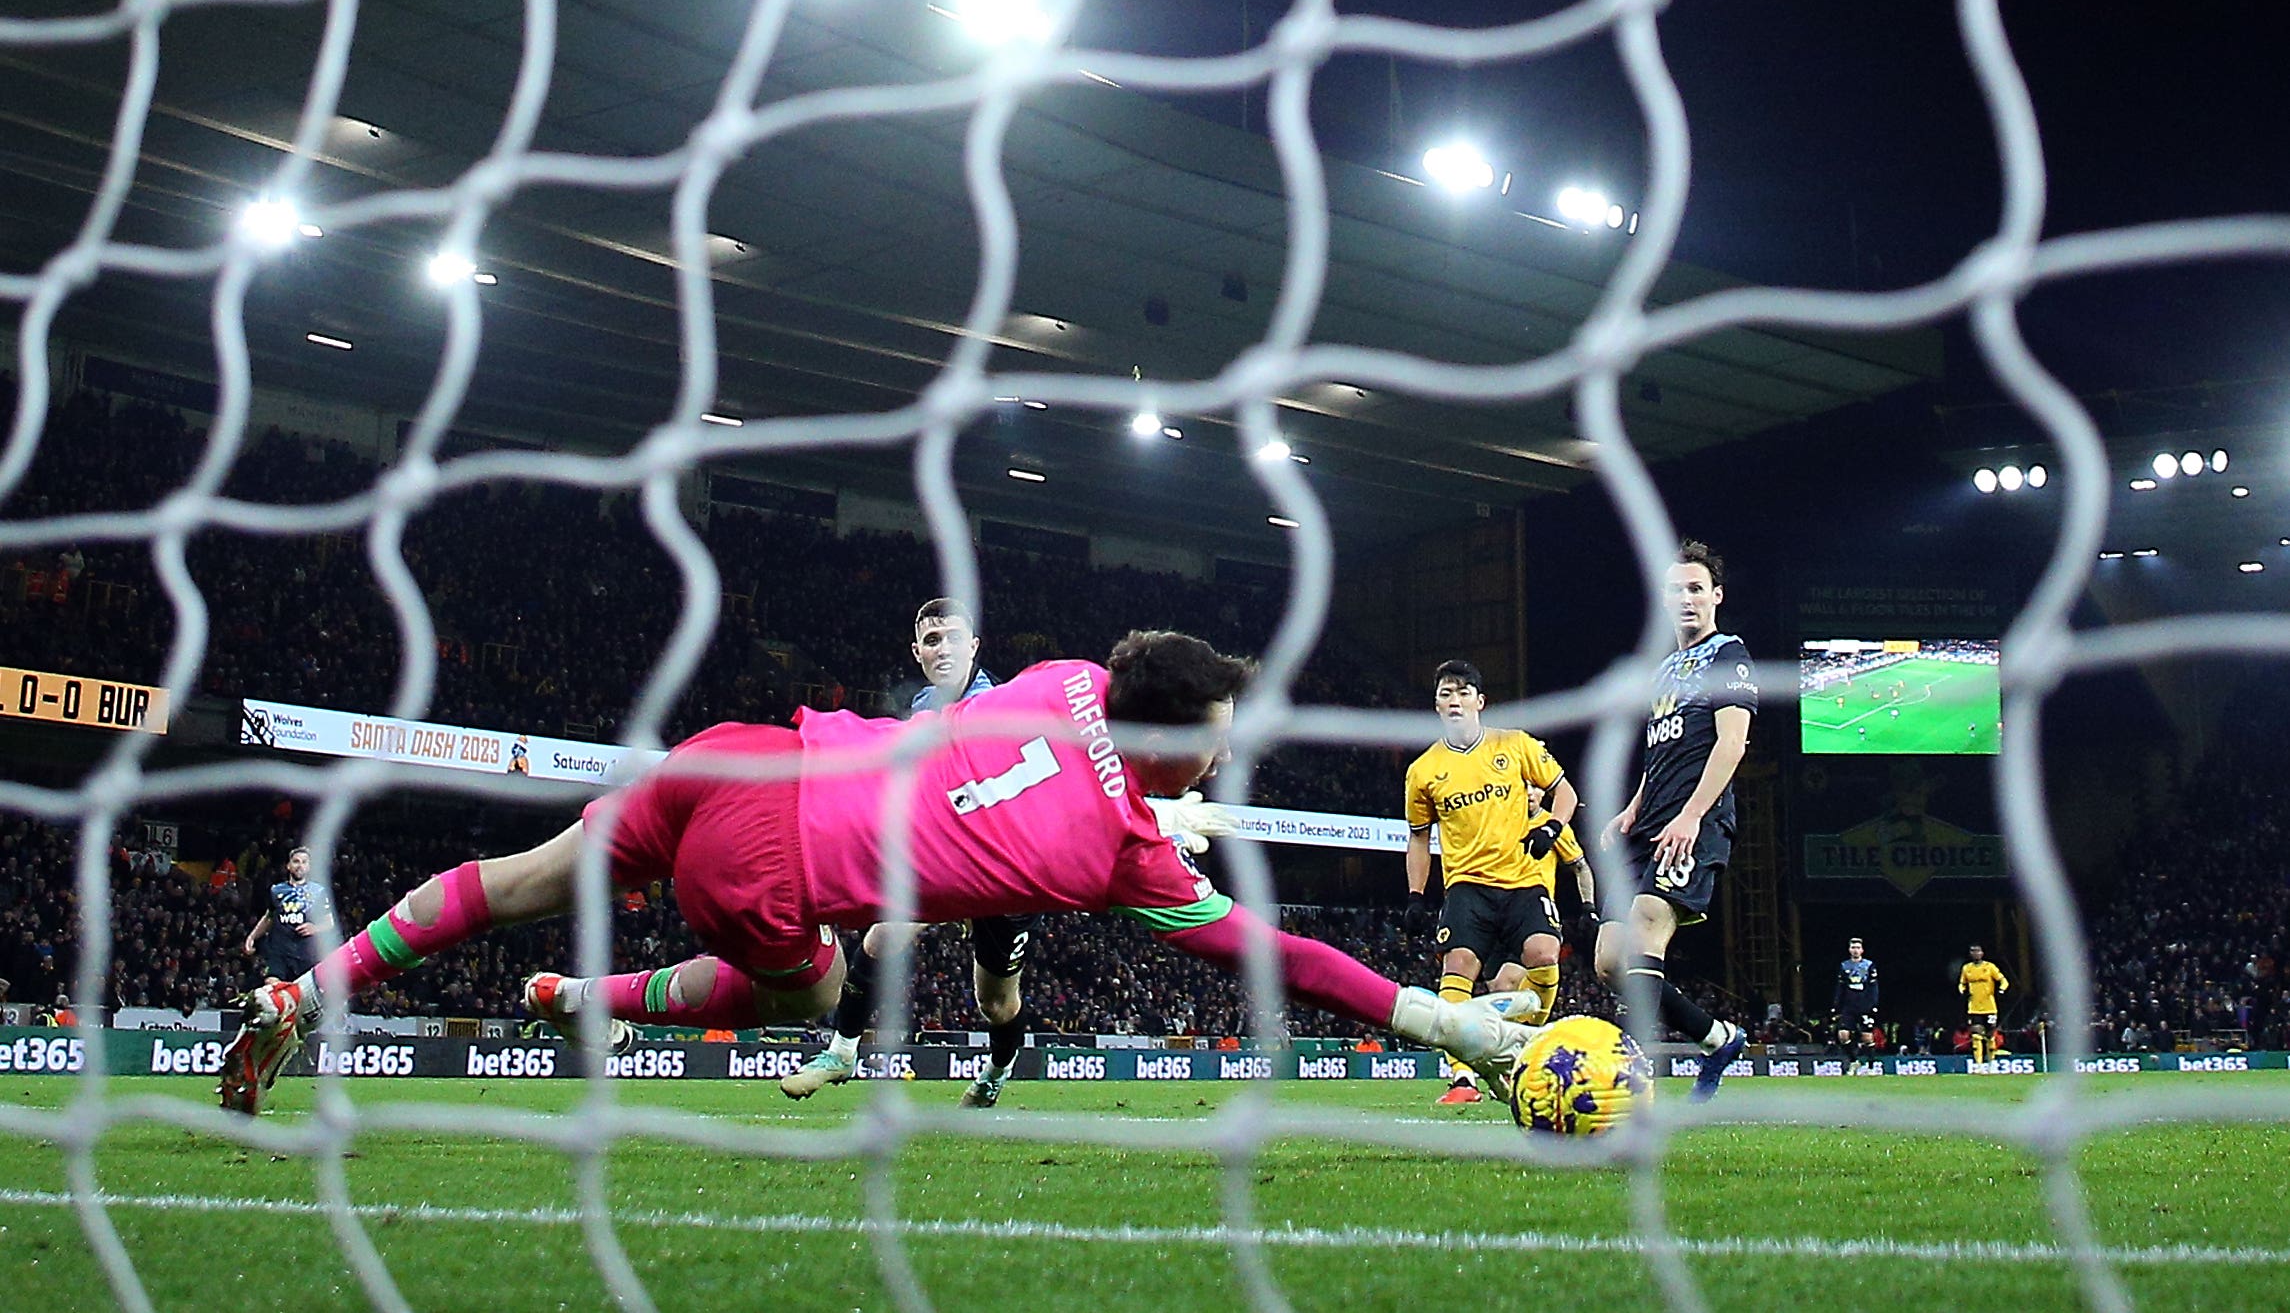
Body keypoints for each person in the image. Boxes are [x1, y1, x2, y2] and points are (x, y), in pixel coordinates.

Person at [217, 630, 1534, 1114]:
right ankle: (591, 1000)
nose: (1226, 752)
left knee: (514, 876)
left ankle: (306, 993)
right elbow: (1283, 958)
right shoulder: (1123, 853)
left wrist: (1159, 785)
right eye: (1216, 738)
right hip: (782, 866)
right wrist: (1455, 1029)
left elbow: (1086, 731)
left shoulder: (1068, 674)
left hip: (746, 754)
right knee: (810, 987)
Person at [780, 597, 1037, 1108]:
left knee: (997, 1001)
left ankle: (998, 1070)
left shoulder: (1000, 708)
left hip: (1003, 868)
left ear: (975, 647)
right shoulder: (922, 707)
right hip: (945, 859)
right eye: (933, 640)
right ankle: (842, 1051)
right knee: (878, 941)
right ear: (917, 651)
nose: (944, 649)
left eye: (955, 638)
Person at [1596, 541, 1754, 1101]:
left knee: (1644, 924)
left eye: (1695, 588)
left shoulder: (1728, 655)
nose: (1685, 598)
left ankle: (1628, 1069)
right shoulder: (1664, 669)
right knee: (1610, 960)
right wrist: (1635, 805)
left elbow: (1731, 745)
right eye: (1674, 589)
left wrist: (1691, 816)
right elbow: (1661, 749)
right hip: (1651, 822)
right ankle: (1717, 1038)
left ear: (1716, 596)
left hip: (1695, 821)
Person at [1402, 659, 1580, 1104]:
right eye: (1445, 693)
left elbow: (1566, 793)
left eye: (1463, 692)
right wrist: (1415, 895)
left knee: (1543, 953)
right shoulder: (1423, 770)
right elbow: (1419, 839)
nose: (1454, 700)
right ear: (1437, 706)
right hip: (1467, 885)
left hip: (1522, 880)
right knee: (1458, 964)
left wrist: (1552, 828)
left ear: (1480, 702)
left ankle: (1522, 1049)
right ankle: (1462, 1077)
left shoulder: (1515, 744)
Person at [241, 846, 336, 988]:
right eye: (296, 861)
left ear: (309, 867)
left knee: (302, 994)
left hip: (305, 953)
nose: (300, 865)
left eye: (304, 862)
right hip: (279, 951)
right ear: (289, 866)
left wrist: (315, 928)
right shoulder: (276, 890)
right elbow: (269, 917)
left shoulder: (318, 892)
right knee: (273, 986)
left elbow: (329, 923)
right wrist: (252, 937)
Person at [1832, 936, 1880, 1064]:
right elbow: (1840, 987)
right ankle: (1854, 1061)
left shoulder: (1869, 965)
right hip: (1849, 1006)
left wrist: (1873, 1004)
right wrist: (1836, 1004)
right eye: (1853, 947)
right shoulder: (1844, 966)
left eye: (1858, 948)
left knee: (1867, 1037)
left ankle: (1871, 1064)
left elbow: (1873, 986)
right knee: (1842, 1035)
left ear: (1862, 950)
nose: (1855, 950)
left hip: (1864, 1005)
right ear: (1849, 949)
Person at [1960, 944, 2010, 1064]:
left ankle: (1991, 1063)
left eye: (1977, 951)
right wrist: (1961, 989)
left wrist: (2002, 989)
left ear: (1982, 953)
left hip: (1989, 1007)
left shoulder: (1989, 967)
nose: (1975, 953)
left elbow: (2004, 980)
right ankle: (1978, 1064)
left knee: (1990, 1036)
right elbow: (1962, 983)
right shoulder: (1967, 968)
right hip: (1974, 1007)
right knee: (1976, 1036)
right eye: (1973, 951)